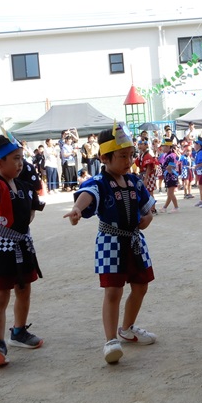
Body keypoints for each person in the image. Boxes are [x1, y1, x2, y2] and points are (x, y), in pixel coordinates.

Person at [64, 123, 157, 364]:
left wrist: (147, 217)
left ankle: (127, 328)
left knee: (141, 286)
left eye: (130, 155)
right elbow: (89, 194)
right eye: (122, 156)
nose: (128, 161)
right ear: (104, 157)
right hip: (110, 242)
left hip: (135, 242)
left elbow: (147, 209)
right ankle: (110, 340)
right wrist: (77, 208)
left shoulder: (134, 181)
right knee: (113, 291)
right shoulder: (100, 181)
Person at [0, 133, 45, 367]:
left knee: (24, 289)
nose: (19, 163)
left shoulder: (23, 185)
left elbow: (34, 208)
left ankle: (19, 331)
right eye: (15, 158)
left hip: (22, 244)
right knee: (1, 295)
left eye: (21, 158)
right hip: (0, 247)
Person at [158, 140, 180, 212]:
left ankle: (176, 207)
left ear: (167, 147)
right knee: (169, 193)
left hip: (171, 176)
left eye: (163, 146)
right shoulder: (165, 155)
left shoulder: (171, 155)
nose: (162, 148)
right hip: (168, 176)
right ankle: (165, 207)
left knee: (170, 193)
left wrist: (167, 169)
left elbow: (171, 165)